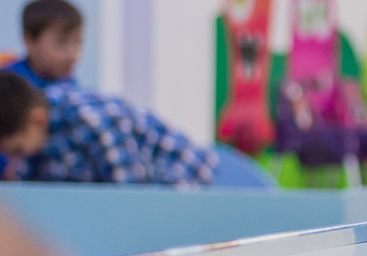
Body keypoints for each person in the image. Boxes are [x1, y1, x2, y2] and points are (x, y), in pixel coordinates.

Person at [0, 72, 219, 185]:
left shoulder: (89, 118)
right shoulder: (32, 136)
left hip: (181, 180)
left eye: (17, 150)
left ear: (37, 120)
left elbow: (128, 193)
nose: (15, 160)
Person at [3, 0, 83, 89]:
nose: (71, 54)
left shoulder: (70, 84)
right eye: (61, 42)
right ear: (29, 41)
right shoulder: (8, 85)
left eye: (77, 42)